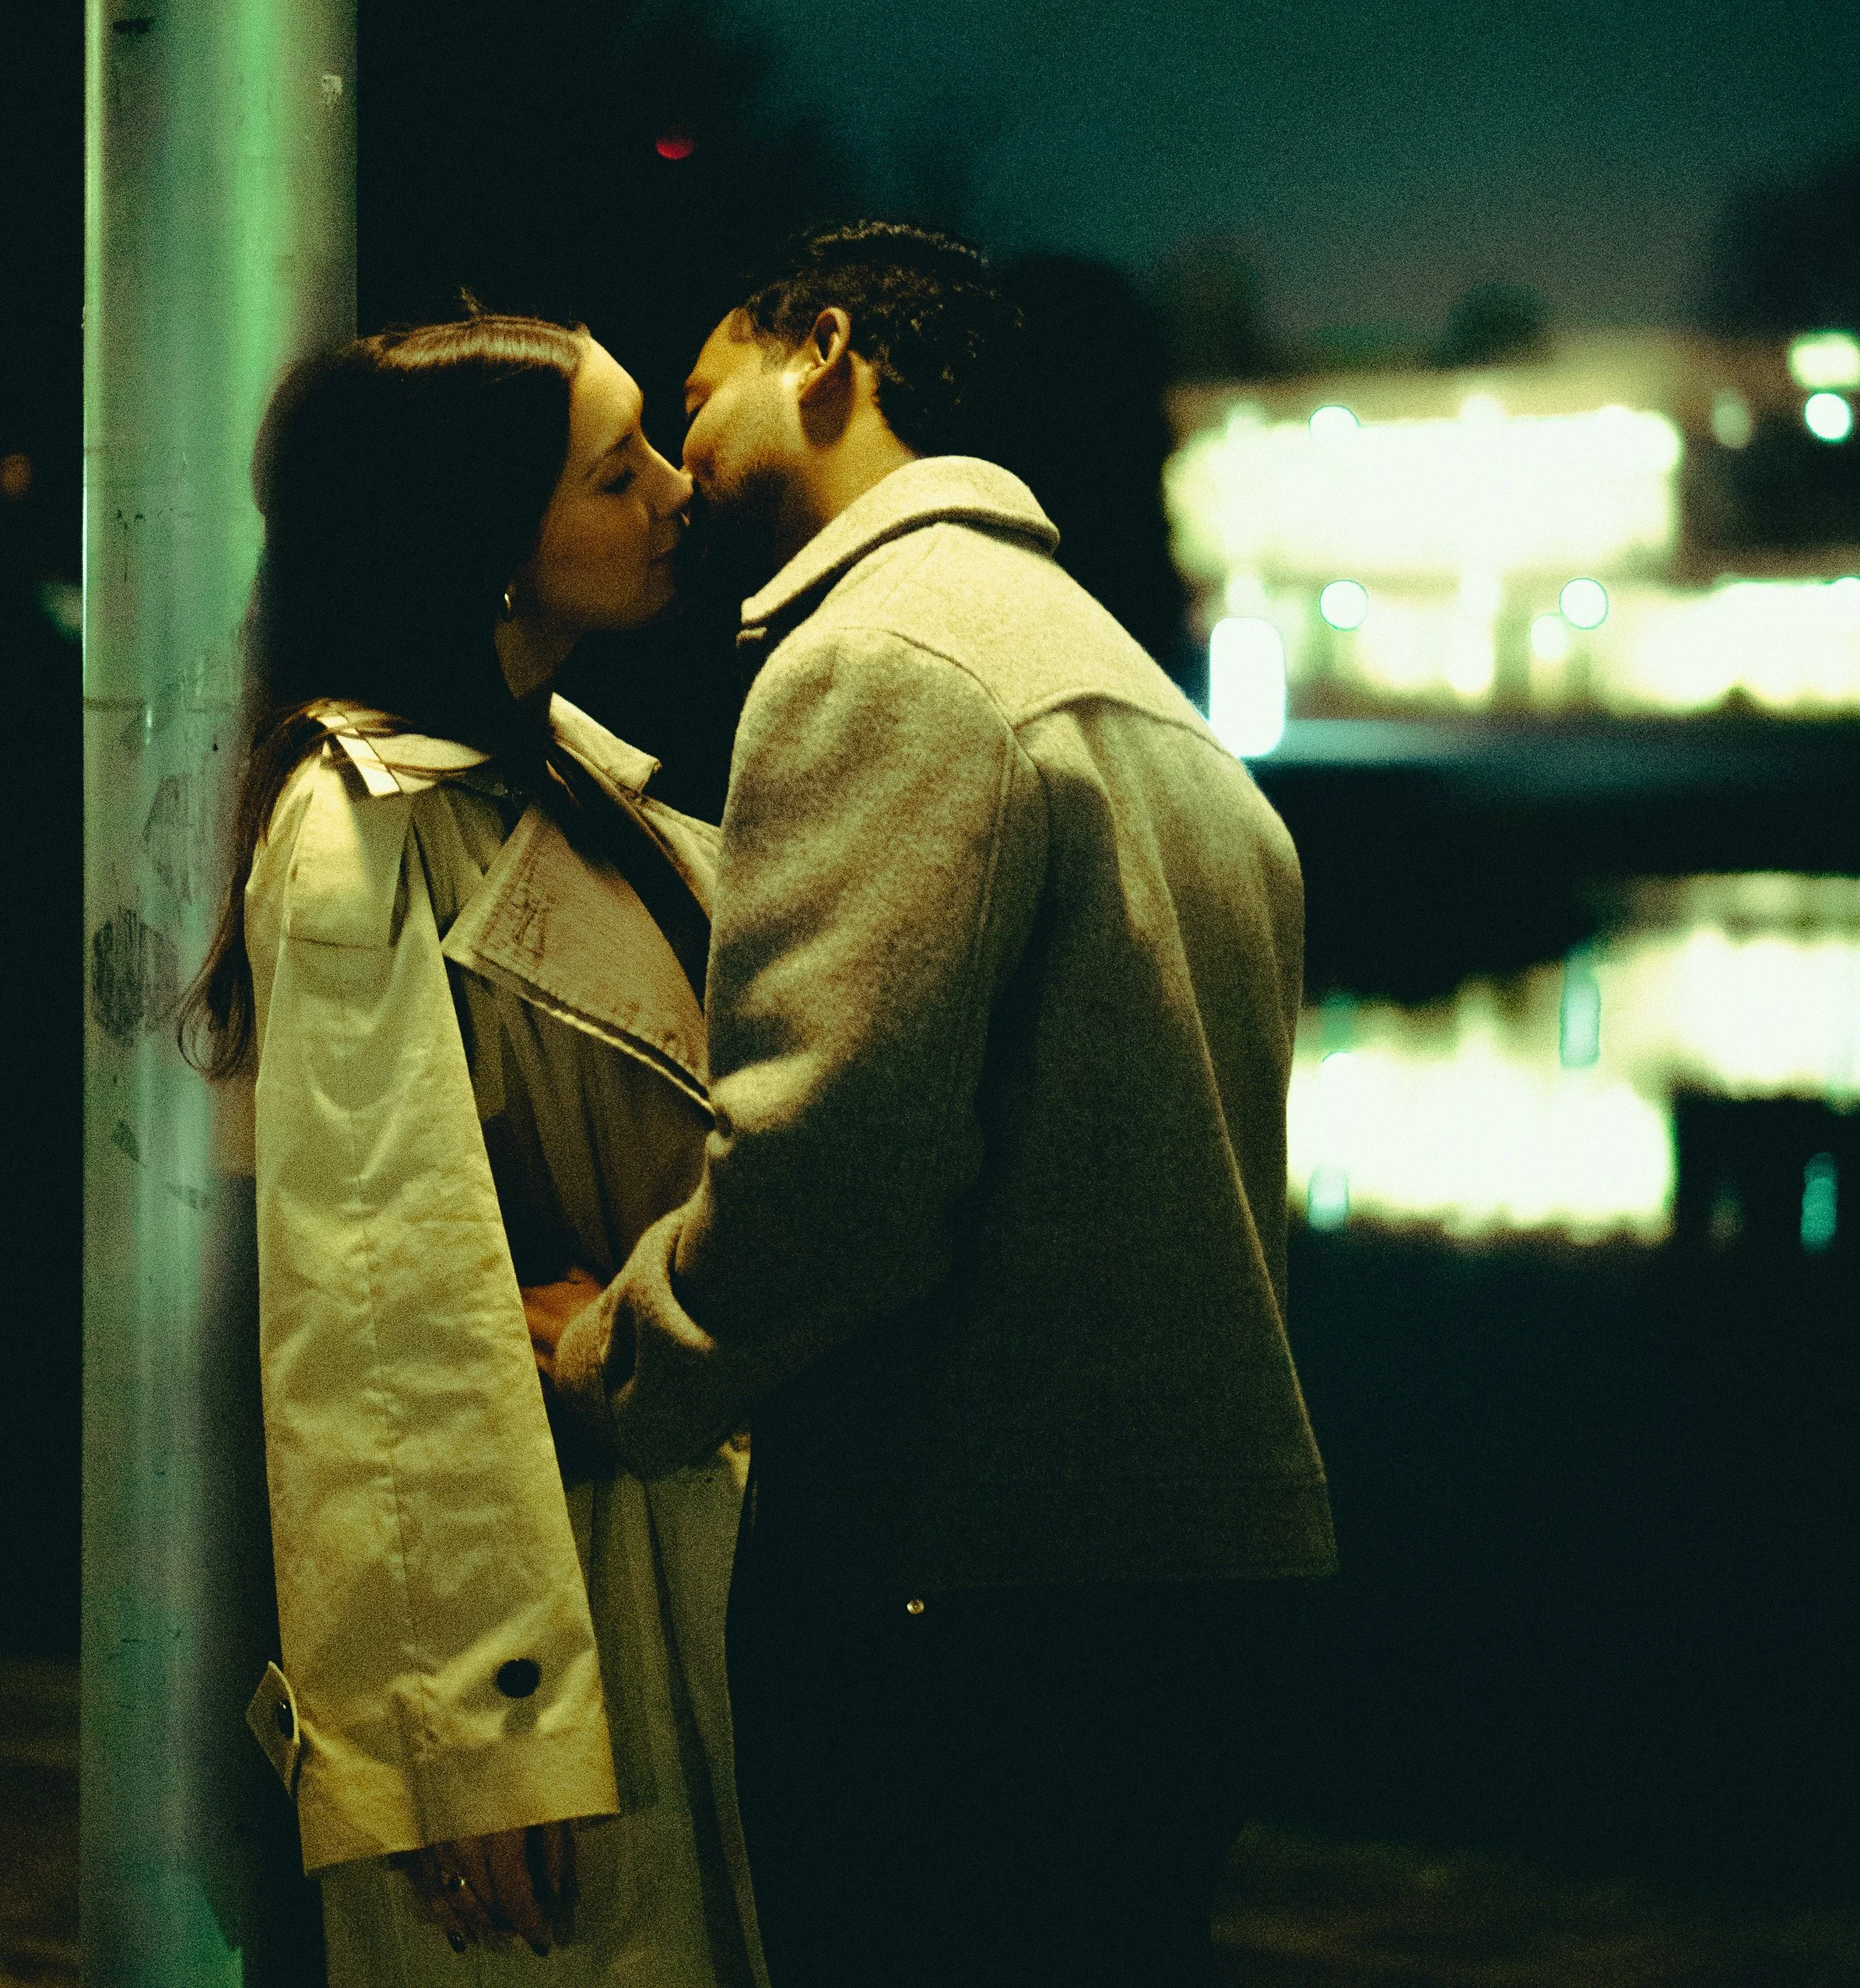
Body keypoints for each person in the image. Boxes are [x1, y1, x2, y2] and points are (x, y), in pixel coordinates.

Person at [531, 223, 1338, 1988]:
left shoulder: (878, 660)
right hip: (1202, 1566)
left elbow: (831, 1164)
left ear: (824, 352)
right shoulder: (1136, 695)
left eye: (698, 396)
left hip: (970, 1580)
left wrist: (611, 1363)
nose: (678, 464)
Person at [184, 310, 767, 1988]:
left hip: (655, 1539)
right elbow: (379, 1293)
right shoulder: (358, 820)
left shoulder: (564, 778)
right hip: (557, 1588)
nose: (672, 493)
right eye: (614, 468)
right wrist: (468, 1732)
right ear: (483, 546)